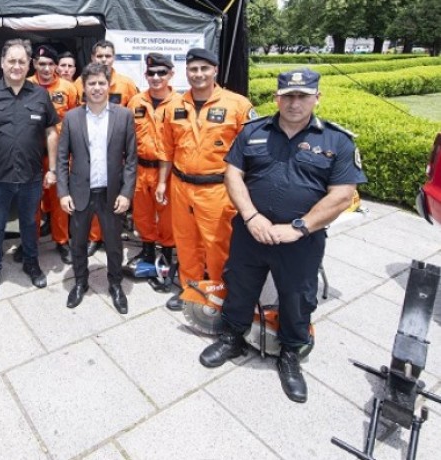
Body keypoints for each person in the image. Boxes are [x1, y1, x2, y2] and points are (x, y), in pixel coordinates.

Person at [199, 69, 367, 403]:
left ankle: (290, 355)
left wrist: (299, 227)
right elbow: (233, 174)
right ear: (277, 98)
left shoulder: (337, 141)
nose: (294, 103)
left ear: (316, 98)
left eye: (302, 96)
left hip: (301, 241)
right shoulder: (253, 131)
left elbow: (342, 195)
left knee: (297, 297)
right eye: (287, 96)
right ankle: (232, 337)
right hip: (251, 231)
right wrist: (251, 216)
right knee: (240, 285)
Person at [161, 48, 255, 311]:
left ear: (215, 70)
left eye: (204, 68)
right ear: (186, 72)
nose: (198, 74)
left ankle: (217, 292)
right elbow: (168, 149)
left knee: (217, 246)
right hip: (180, 185)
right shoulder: (175, 105)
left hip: (217, 188)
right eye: (193, 69)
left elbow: (252, 153)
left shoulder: (238, 105)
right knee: (185, 242)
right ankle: (189, 289)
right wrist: (162, 183)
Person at [0, 38, 60, 301]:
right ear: (2, 63)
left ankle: (31, 262)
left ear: (28, 64)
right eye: (12, 61)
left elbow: (51, 132)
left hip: (31, 176)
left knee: (30, 224)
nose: (16, 66)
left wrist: (52, 168)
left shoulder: (40, 95)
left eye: (21, 61)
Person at [58, 63, 137, 314]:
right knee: (78, 243)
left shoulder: (124, 116)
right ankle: (81, 282)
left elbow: (131, 160)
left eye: (101, 83)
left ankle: (115, 284)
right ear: (83, 87)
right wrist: (63, 192)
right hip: (80, 192)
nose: (96, 88)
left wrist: (126, 193)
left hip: (111, 194)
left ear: (108, 84)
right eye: (91, 83)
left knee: (113, 244)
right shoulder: (72, 117)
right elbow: (61, 159)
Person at [74, 40, 139, 256]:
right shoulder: (79, 84)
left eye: (108, 56)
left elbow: (132, 119)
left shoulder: (127, 84)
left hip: (114, 156)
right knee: (91, 200)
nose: (103, 60)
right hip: (90, 153)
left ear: (114, 57)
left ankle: (111, 238)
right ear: (93, 58)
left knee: (111, 203)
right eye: (99, 56)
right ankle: (94, 238)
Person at [123, 53, 178, 274]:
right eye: (151, 73)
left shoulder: (181, 103)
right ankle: (146, 249)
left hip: (167, 170)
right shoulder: (136, 101)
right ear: (145, 75)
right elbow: (127, 137)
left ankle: (165, 252)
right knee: (142, 214)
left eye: (161, 73)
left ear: (171, 74)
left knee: (166, 215)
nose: (156, 77)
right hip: (139, 168)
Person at [25, 44, 78, 265]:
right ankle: (30, 241)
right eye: (41, 63)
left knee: (59, 201)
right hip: (31, 153)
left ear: (56, 66)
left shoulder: (67, 87)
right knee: (31, 201)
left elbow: (75, 119)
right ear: (34, 64)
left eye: (50, 64)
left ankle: (62, 241)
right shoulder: (26, 85)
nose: (46, 68)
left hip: (58, 154)